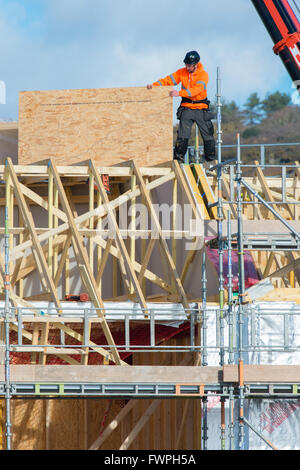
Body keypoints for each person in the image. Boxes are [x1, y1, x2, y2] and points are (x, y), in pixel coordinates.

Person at [147, 51, 216, 164]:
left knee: (207, 134)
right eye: (186, 65)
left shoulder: (203, 75)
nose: (187, 67)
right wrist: (154, 86)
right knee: (183, 135)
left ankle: (210, 160)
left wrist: (180, 93)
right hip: (187, 107)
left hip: (201, 107)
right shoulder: (182, 72)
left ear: (196, 64)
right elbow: (167, 80)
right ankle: (178, 160)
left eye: (189, 65)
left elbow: (197, 90)